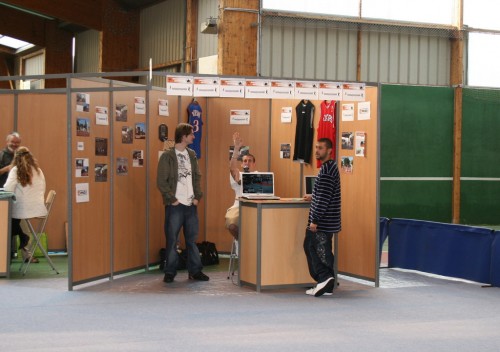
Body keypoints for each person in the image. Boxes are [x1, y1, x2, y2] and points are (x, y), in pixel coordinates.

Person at [157, 123, 209, 283]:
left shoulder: (191, 154)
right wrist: (171, 199)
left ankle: (195, 271)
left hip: (191, 205)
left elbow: (197, 176)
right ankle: (170, 272)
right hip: (175, 205)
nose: (194, 136)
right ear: (184, 136)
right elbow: (161, 181)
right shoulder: (167, 156)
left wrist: (197, 196)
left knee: (192, 240)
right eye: (191, 134)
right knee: (172, 240)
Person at [303, 138, 341, 297]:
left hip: (322, 222)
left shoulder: (326, 171)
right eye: (316, 148)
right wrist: (314, 196)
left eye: (320, 148)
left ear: (329, 150)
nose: (317, 151)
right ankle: (327, 285)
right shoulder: (330, 167)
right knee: (322, 250)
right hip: (328, 221)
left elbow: (324, 199)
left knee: (315, 249)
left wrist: (315, 220)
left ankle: (324, 279)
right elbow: (325, 194)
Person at [4, 146, 47, 263]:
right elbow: (43, 188)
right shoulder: (38, 170)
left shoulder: (15, 170)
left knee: (7, 221)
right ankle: (24, 249)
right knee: (19, 223)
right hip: (38, 207)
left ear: (15, 158)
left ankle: (7, 255)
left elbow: (8, 189)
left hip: (21, 210)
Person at [225, 132, 257, 240]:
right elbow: (232, 168)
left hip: (257, 207)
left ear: (254, 164)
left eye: (249, 161)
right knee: (232, 225)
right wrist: (236, 149)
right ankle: (241, 242)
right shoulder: (239, 175)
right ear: (242, 164)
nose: (247, 163)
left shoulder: (260, 176)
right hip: (239, 207)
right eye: (244, 161)